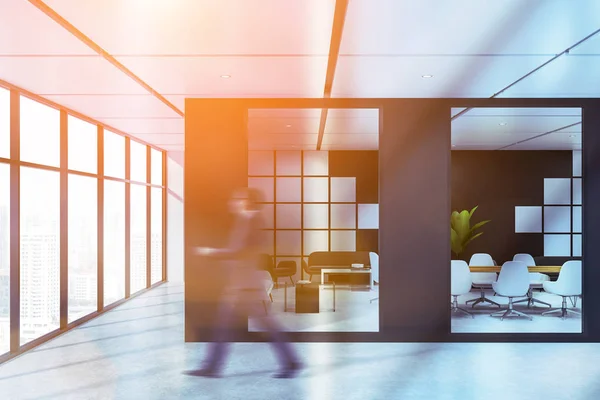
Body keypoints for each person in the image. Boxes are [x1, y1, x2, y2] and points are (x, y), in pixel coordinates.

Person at [189, 187, 302, 378]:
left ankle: (291, 362)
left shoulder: (252, 220)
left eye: (237, 198)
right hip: (242, 284)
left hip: (246, 286)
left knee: (259, 326)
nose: (232, 201)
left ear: (247, 201)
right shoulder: (247, 221)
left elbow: (238, 252)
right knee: (226, 327)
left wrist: (209, 252)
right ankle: (291, 362)